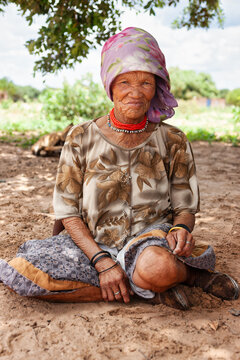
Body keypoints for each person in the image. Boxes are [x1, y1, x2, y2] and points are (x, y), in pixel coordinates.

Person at [0, 27, 238, 310]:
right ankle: (143, 287)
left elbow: (185, 208)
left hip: (150, 241)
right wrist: (101, 262)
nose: (135, 93)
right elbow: (68, 212)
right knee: (23, 274)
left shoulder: (173, 139)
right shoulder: (81, 137)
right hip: (90, 243)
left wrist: (181, 229)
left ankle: (185, 274)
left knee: (158, 267)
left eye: (146, 83)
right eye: (124, 82)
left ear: (157, 87)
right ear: (110, 85)